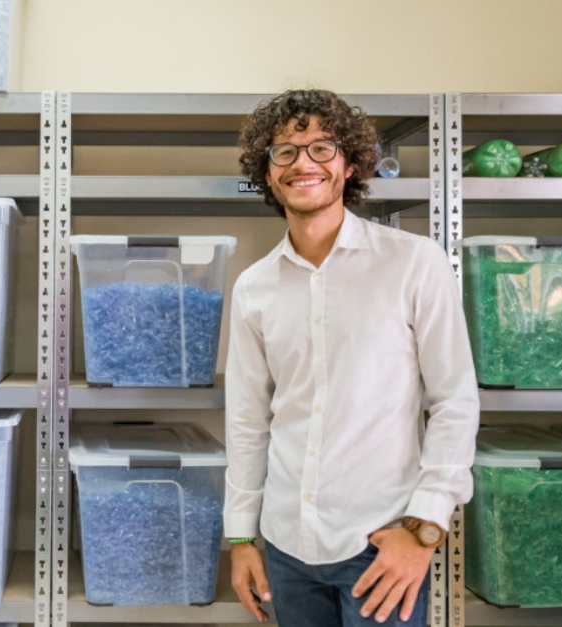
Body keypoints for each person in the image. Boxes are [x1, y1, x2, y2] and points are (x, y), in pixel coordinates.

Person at [224, 89, 480, 627]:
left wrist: (424, 528)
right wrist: (242, 536)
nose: (303, 164)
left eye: (322, 147)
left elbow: (454, 401)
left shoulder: (414, 264)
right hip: (287, 546)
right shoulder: (254, 287)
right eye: (284, 152)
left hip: (382, 543)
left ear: (350, 163)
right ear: (267, 172)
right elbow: (248, 421)